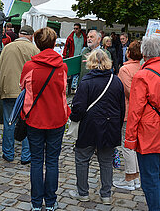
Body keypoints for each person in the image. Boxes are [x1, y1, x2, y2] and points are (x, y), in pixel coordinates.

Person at [125, 36, 160, 211]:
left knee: (150, 179)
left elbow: (135, 111)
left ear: (144, 53)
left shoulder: (142, 75)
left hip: (149, 133)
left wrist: (130, 139)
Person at [20, 27, 70, 211]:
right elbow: (63, 90)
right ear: (54, 42)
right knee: (52, 161)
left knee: (36, 160)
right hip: (57, 117)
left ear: (37, 43)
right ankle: (50, 202)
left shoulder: (30, 66)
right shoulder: (62, 66)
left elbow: (22, 85)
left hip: (35, 118)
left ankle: (35, 203)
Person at [69, 49, 125, 205]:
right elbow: (121, 109)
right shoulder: (116, 81)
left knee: (82, 159)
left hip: (89, 125)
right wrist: (117, 126)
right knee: (106, 161)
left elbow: (78, 108)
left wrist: (73, 119)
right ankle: (106, 194)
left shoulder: (86, 82)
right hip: (110, 126)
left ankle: (83, 192)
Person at [0, 25, 39, 164]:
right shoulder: (34, 49)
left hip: (9, 90)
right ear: (31, 36)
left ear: (19, 34)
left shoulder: (7, 48)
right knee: (27, 123)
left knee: (9, 122)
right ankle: (26, 156)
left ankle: (8, 153)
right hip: (27, 92)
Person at [113, 41, 142, 190]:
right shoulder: (141, 67)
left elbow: (128, 91)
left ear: (129, 53)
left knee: (128, 144)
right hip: (138, 111)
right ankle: (135, 177)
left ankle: (130, 178)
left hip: (128, 111)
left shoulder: (125, 69)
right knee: (134, 145)